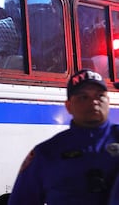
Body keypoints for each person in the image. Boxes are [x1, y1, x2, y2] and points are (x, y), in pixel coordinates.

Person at [8, 69, 119, 205]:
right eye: (83, 97)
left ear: (109, 101)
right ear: (68, 106)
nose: (94, 102)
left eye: (100, 95)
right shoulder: (47, 153)